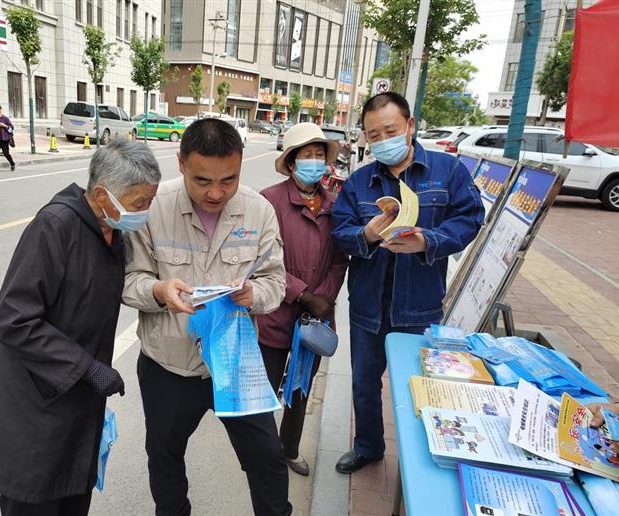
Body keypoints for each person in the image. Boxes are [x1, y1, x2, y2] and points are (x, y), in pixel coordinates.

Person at [0, 138, 162, 516]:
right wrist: (87, 368)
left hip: (79, 403)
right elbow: (14, 318)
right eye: (140, 203)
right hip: (36, 404)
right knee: (36, 500)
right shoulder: (55, 227)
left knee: (73, 497)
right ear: (102, 194)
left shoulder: (113, 232)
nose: (145, 212)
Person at [122, 118, 292, 516]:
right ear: (181, 163)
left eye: (228, 180)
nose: (216, 193)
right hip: (170, 365)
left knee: (267, 456)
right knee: (165, 455)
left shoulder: (258, 211)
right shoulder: (153, 208)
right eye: (202, 181)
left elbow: (276, 281)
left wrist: (253, 295)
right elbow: (129, 280)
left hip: (235, 363)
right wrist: (159, 291)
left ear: (241, 165)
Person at [331, 92, 484, 474]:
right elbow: (340, 231)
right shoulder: (360, 182)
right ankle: (368, 447)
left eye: (390, 131)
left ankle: (421, 461)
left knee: (420, 387)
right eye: (373, 135)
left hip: (419, 306)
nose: (383, 140)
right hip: (368, 306)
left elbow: (470, 218)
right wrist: (366, 234)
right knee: (365, 384)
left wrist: (428, 241)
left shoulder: (448, 171)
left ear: (410, 126)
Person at [258, 123, 348, 476]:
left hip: (316, 319)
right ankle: (262, 453)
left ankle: (289, 449)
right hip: (274, 312)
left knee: (301, 389)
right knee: (264, 389)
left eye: (319, 154)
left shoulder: (335, 205)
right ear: (292, 162)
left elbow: (340, 259)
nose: (314, 160)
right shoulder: (269, 201)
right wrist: (303, 294)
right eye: (306, 154)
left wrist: (322, 298)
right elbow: (262, 259)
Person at [0, 103, 15, 173]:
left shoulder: (5, 118)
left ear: (0, 109)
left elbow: (12, 128)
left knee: (6, 154)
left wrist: (5, 126)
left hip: (4, 139)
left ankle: (12, 163)